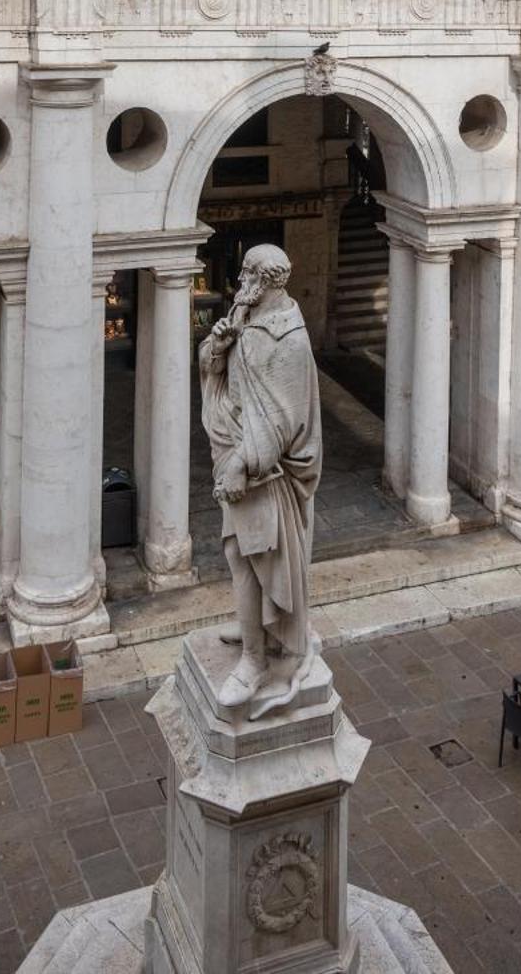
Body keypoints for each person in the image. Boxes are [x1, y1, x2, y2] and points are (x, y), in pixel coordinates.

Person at [199, 244, 322, 718]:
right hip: (233, 447)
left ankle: (256, 659)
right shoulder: (243, 313)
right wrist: (217, 345)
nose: (241, 276)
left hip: (264, 472)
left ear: (272, 280)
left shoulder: (288, 338)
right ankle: (256, 628)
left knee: (253, 555)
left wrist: (242, 465)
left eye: (249, 270)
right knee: (238, 552)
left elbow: (286, 421)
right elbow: (214, 365)